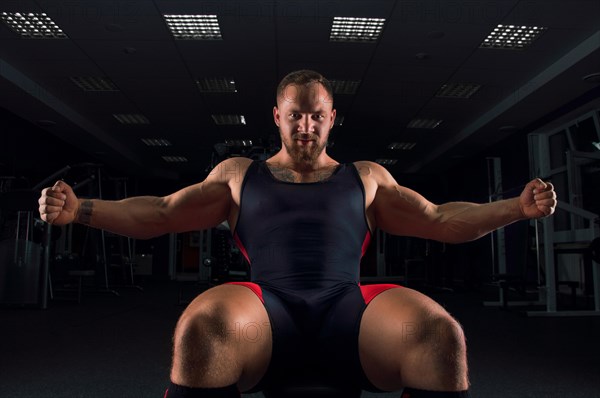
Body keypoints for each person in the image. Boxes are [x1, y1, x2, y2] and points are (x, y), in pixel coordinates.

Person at [38, 70, 556, 398]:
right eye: (294, 116)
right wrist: (80, 210)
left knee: (441, 335)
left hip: (350, 311)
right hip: (266, 312)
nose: (305, 127)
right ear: (277, 118)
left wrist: (516, 207)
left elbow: (441, 220)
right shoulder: (240, 173)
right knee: (201, 327)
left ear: (332, 119)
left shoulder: (368, 177)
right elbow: (161, 213)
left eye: (315, 117)